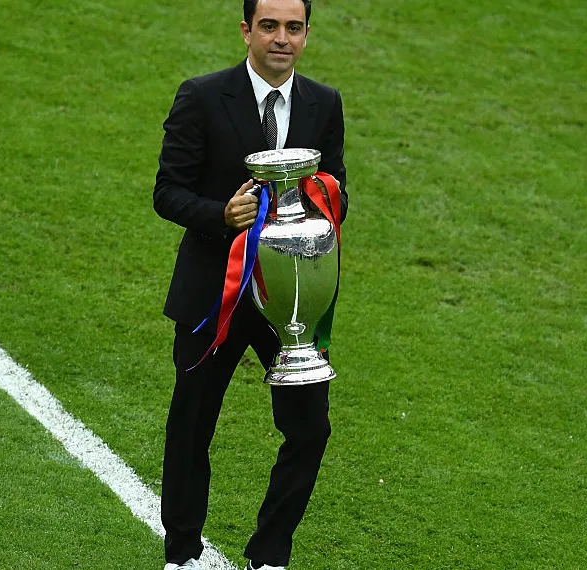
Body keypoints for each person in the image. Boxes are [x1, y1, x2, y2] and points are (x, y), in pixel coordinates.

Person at [152, 0, 347, 569]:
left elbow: (338, 189)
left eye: (293, 28)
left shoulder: (323, 103)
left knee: (310, 428)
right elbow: (167, 191)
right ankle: (182, 553)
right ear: (246, 31)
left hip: (290, 297)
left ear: (307, 35)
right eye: (269, 26)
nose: (280, 38)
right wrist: (223, 215)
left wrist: (313, 212)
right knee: (192, 423)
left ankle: (270, 554)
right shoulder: (202, 96)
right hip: (215, 288)